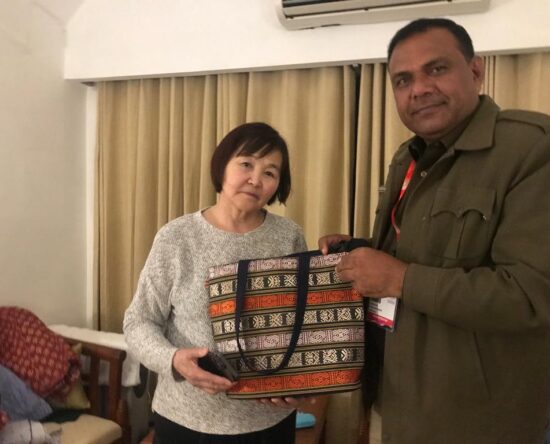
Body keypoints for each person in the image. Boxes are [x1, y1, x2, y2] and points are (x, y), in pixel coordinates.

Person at [319, 18, 550, 444]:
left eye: (437, 69)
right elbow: (424, 252)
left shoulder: (531, 148)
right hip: (393, 399)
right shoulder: (406, 157)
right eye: (403, 80)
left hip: (475, 421)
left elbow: (530, 295)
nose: (419, 89)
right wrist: (360, 251)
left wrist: (400, 279)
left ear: (475, 70)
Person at [124, 122, 308, 444]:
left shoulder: (288, 236)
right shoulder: (176, 237)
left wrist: (297, 380)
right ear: (222, 166)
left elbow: (299, 324)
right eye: (246, 164)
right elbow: (138, 321)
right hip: (186, 420)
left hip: (269, 421)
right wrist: (174, 360)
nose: (255, 179)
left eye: (270, 172)